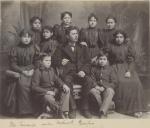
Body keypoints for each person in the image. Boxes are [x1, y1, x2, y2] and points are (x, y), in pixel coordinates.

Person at [53, 26, 92, 118]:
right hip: (69, 73)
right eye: (73, 34)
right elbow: (53, 60)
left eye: (77, 33)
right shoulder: (61, 47)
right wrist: (60, 62)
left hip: (80, 72)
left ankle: (85, 108)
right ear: (67, 36)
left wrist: (83, 71)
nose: (76, 36)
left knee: (89, 80)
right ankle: (73, 107)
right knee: (66, 80)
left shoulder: (83, 47)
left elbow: (88, 62)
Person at [108, 30, 146, 117]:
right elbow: (104, 57)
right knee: (122, 82)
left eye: (121, 37)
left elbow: (131, 60)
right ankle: (125, 109)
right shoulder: (111, 46)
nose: (119, 39)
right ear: (115, 38)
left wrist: (129, 71)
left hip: (127, 67)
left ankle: (137, 108)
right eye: (117, 37)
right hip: (114, 68)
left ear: (124, 38)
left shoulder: (127, 46)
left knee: (136, 82)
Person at [8, 29, 40, 116]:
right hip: (20, 70)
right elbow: (13, 64)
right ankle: (24, 111)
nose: (26, 39)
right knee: (23, 85)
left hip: (33, 69)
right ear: (20, 37)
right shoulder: (15, 49)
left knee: (35, 84)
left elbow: (37, 62)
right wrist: (23, 71)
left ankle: (36, 109)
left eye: (28, 37)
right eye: (24, 37)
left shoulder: (34, 47)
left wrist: (33, 69)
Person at [31, 54, 70, 119]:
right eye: (46, 60)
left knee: (66, 90)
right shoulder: (38, 71)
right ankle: (60, 113)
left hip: (53, 91)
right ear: (41, 61)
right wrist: (47, 92)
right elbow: (34, 87)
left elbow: (57, 79)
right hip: (43, 94)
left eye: (50, 60)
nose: (49, 62)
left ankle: (60, 111)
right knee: (48, 97)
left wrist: (63, 85)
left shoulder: (51, 69)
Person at [88, 49, 117, 118]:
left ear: (107, 61)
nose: (102, 61)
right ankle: (106, 107)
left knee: (110, 91)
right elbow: (92, 80)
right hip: (97, 88)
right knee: (92, 91)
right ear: (97, 60)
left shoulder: (111, 69)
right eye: (100, 59)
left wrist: (105, 87)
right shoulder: (94, 69)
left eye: (104, 59)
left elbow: (114, 82)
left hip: (106, 88)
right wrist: (96, 86)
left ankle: (102, 112)